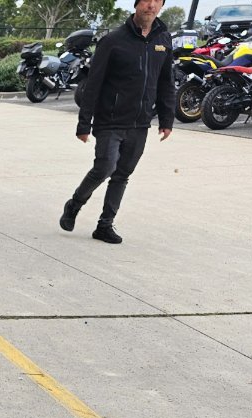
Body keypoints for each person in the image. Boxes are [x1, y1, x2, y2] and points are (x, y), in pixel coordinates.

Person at [60, 0, 175, 244]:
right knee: (104, 168)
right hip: (110, 120)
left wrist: (167, 118)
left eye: (157, 1)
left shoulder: (163, 40)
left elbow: (166, 81)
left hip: (140, 123)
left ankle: (105, 225)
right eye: (146, 0)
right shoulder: (113, 40)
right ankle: (75, 204)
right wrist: (84, 123)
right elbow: (93, 84)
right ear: (136, 4)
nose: (151, 5)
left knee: (122, 174)